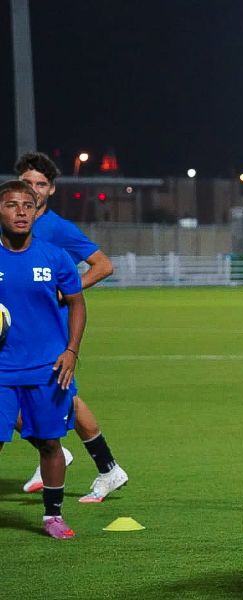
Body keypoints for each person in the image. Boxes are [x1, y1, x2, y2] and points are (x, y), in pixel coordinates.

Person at [14, 152, 128, 502]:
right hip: (15, 330)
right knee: (57, 398)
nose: (33, 190)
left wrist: (67, 292)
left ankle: (99, 466)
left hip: (49, 332)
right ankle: (103, 467)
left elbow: (103, 264)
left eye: (41, 184)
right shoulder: (13, 224)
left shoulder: (58, 229)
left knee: (61, 396)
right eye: (27, 183)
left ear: (51, 190)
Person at [0, 180, 86, 538]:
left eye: (28, 205)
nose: (21, 211)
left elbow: (78, 303)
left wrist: (71, 351)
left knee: (50, 442)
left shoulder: (54, 257)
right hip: (2, 370)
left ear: (37, 211)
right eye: (11, 204)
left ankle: (52, 516)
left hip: (49, 369)